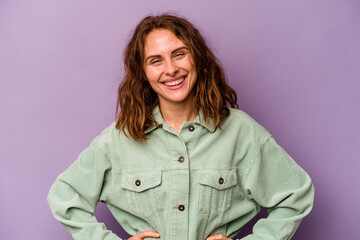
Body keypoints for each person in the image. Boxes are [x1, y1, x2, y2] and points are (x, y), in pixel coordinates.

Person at [47, 14, 314, 240]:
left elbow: (295, 197)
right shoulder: (119, 138)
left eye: (179, 54)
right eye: (156, 60)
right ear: (143, 72)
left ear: (196, 58)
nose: (171, 69)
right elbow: (65, 197)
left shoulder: (241, 132)